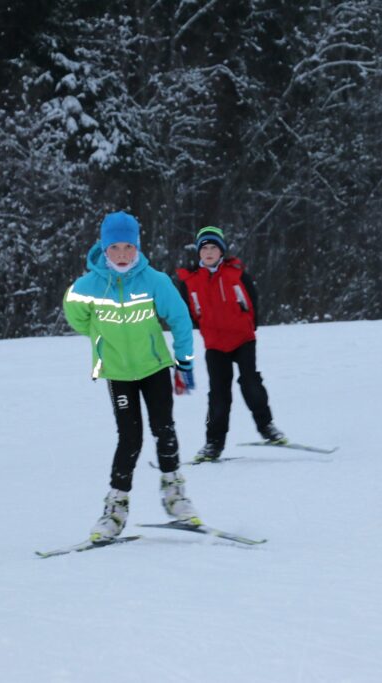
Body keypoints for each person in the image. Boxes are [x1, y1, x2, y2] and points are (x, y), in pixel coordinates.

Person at [63, 211, 200, 543]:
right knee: (130, 438)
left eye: (128, 247)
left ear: (137, 246)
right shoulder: (87, 286)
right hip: (118, 373)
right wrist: (101, 339)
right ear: (103, 248)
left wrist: (184, 364)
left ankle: (175, 494)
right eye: (115, 248)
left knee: (163, 428)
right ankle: (115, 509)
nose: (122, 255)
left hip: (154, 368)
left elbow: (180, 319)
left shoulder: (155, 281)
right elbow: (76, 316)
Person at [176, 225, 286, 462]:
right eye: (204, 248)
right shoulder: (190, 281)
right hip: (215, 345)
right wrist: (204, 328)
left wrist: (250, 324)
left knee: (250, 382)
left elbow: (252, 298)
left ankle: (267, 427)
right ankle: (213, 443)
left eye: (213, 247)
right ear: (198, 253)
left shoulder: (235, 273)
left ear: (221, 251)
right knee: (218, 394)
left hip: (242, 339)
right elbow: (186, 312)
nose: (209, 252)